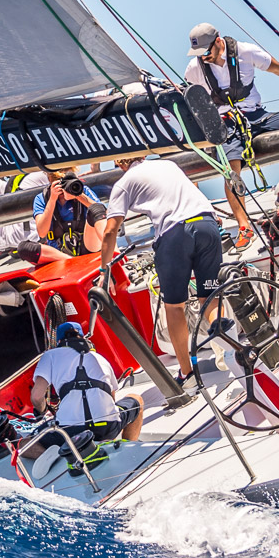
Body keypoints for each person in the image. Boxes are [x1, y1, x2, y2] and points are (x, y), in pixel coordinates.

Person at [185, 23, 279, 249]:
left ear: (218, 42)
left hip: (256, 115)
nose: (204, 57)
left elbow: (276, 67)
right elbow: (193, 102)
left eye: (207, 51)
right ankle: (244, 226)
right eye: (200, 53)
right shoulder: (194, 69)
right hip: (225, 123)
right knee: (232, 170)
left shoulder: (246, 52)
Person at [96, 153, 221, 387]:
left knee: (174, 307)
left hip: (175, 235)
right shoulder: (168, 164)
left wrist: (106, 270)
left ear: (117, 162)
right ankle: (228, 344)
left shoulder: (124, 183)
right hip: (208, 224)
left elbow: (110, 231)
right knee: (209, 296)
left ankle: (187, 374)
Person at [28, 322, 142, 463]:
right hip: (107, 428)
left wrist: (42, 411)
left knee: (26, 443)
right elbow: (111, 399)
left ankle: (64, 460)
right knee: (136, 400)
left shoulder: (50, 356)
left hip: (71, 432)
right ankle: (125, 451)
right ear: (83, 338)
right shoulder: (100, 358)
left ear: (58, 341)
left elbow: (37, 397)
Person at [31, 168, 108, 258]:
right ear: (50, 181)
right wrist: (52, 200)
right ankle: (70, 259)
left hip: (87, 245)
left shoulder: (82, 190)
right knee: (25, 248)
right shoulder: (41, 198)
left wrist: (78, 195)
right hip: (59, 252)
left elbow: (104, 214)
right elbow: (42, 233)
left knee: (95, 209)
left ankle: (112, 251)